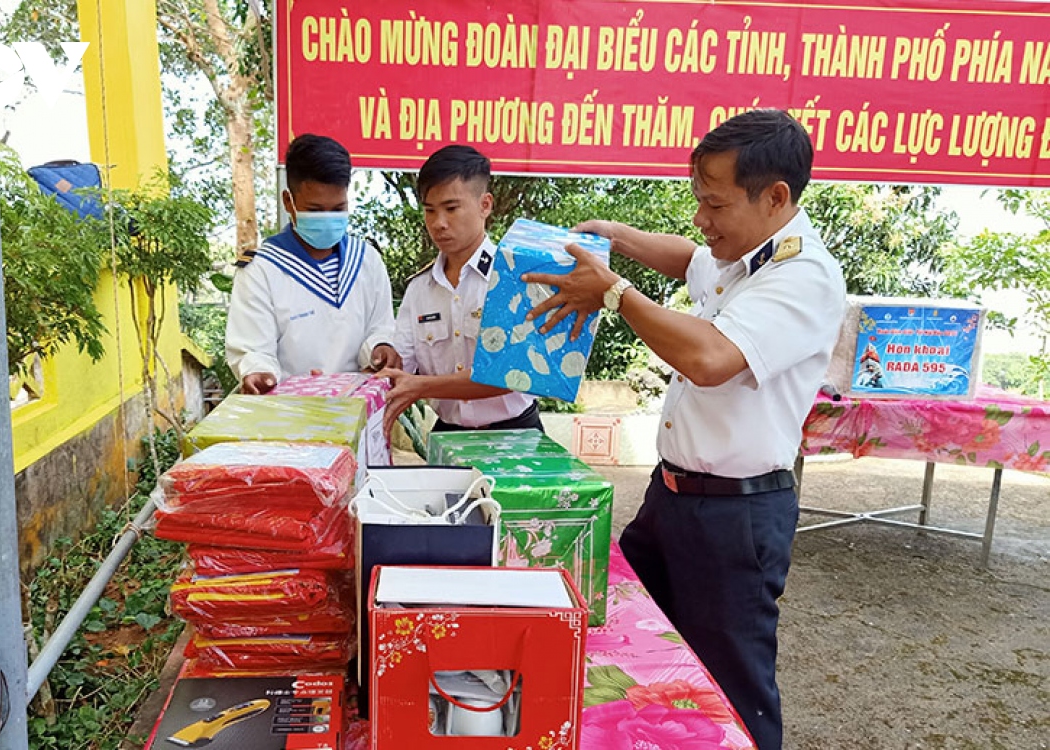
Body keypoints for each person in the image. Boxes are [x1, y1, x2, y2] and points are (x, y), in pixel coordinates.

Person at [522, 109, 846, 750]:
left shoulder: (803, 276)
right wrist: (615, 235)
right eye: (698, 200)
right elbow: (690, 259)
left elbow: (709, 358)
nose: (702, 219)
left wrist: (613, 292)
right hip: (671, 498)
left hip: (737, 518)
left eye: (714, 204)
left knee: (733, 684)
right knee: (632, 642)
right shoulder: (741, 254)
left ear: (775, 197)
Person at [378, 145, 542, 433]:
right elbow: (399, 366)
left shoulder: (515, 278)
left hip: (516, 435)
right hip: (449, 434)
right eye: (430, 211)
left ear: (485, 205)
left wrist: (421, 387)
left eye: (451, 208)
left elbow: (507, 373)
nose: (439, 223)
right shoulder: (420, 289)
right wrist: (373, 366)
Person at [225, 134, 400, 393]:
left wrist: (380, 348)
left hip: (357, 408)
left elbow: (380, 327)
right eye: (316, 210)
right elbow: (254, 350)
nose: (328, 219)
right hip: (290, 415)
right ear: (289, 202)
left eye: (338, 208)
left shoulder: (366, 260)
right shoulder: (262, 270)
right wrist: (258, 373)